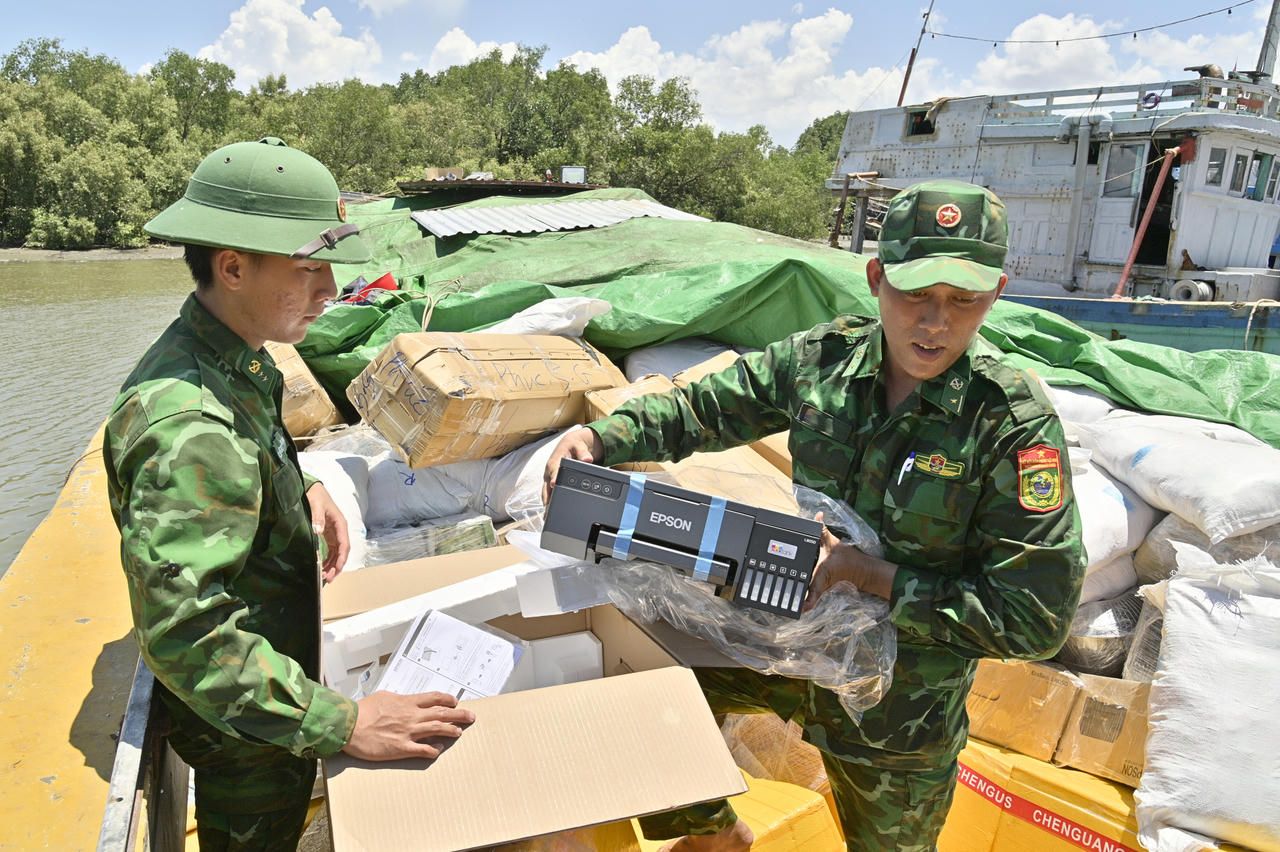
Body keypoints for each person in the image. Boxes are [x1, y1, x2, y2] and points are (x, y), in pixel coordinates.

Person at [543, 180, 1086, 852]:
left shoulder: (1008, 424)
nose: (936, 322)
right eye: (916, 294)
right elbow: (706, 408)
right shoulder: (823, 364)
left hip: (900, 710)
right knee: (642, 668)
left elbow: (1036, 617)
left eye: (963, 301)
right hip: (790, 645)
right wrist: (603, 438)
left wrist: (874, 576)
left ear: (996, 294)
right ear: (876, 278)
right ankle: (714, 836)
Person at [104, 138, 474, 851]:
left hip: (275, 687)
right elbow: (185, 638)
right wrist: (344, 722)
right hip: (250, 730)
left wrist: (296, 485)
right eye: (308, 269)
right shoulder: (188, 427)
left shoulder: (235, 359)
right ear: (233, 266)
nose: (331, 291)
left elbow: (245, 449)